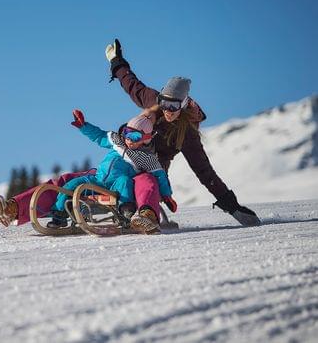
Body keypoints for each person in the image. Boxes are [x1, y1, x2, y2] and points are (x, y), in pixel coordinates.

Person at [106, 39, 260, 226]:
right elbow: (131, 83)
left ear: (184, 105)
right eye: (165, 103)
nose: (168, 110)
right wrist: (116, 61)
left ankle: (143, 212)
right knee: (117, 172)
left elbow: (204, 171)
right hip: (133, 149)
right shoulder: (151, 100)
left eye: (174, 106)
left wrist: (232, 206)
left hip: (157, 164)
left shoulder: (187, 133)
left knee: (147, 181)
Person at [45, 109, 176, 234]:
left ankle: (127, 215)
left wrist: (167, 196)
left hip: (116, 184)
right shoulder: (117, 141)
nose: (129, 139)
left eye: (135, 136)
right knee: (72, 184)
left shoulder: (146, 157)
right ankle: (59, 216)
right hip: (97, 180)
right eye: (127, 133)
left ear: (145, 138)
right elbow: (99, 136)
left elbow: (160, 175)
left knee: (125, 182)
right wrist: (83, 126)